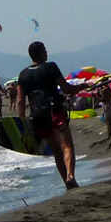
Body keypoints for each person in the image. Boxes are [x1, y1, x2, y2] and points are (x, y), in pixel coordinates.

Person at [16, 41, 82, 190]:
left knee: (56, 151)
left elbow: (20, 100)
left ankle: (67, 183)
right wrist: (82, 87)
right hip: (55, 111)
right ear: (39, 53)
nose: (47, 53)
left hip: (38, 117)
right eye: (44, 50)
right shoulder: (51, 67)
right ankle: (70, 176)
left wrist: (21, 122)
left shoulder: (23, 74)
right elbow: (67, 89)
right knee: (67, 146)